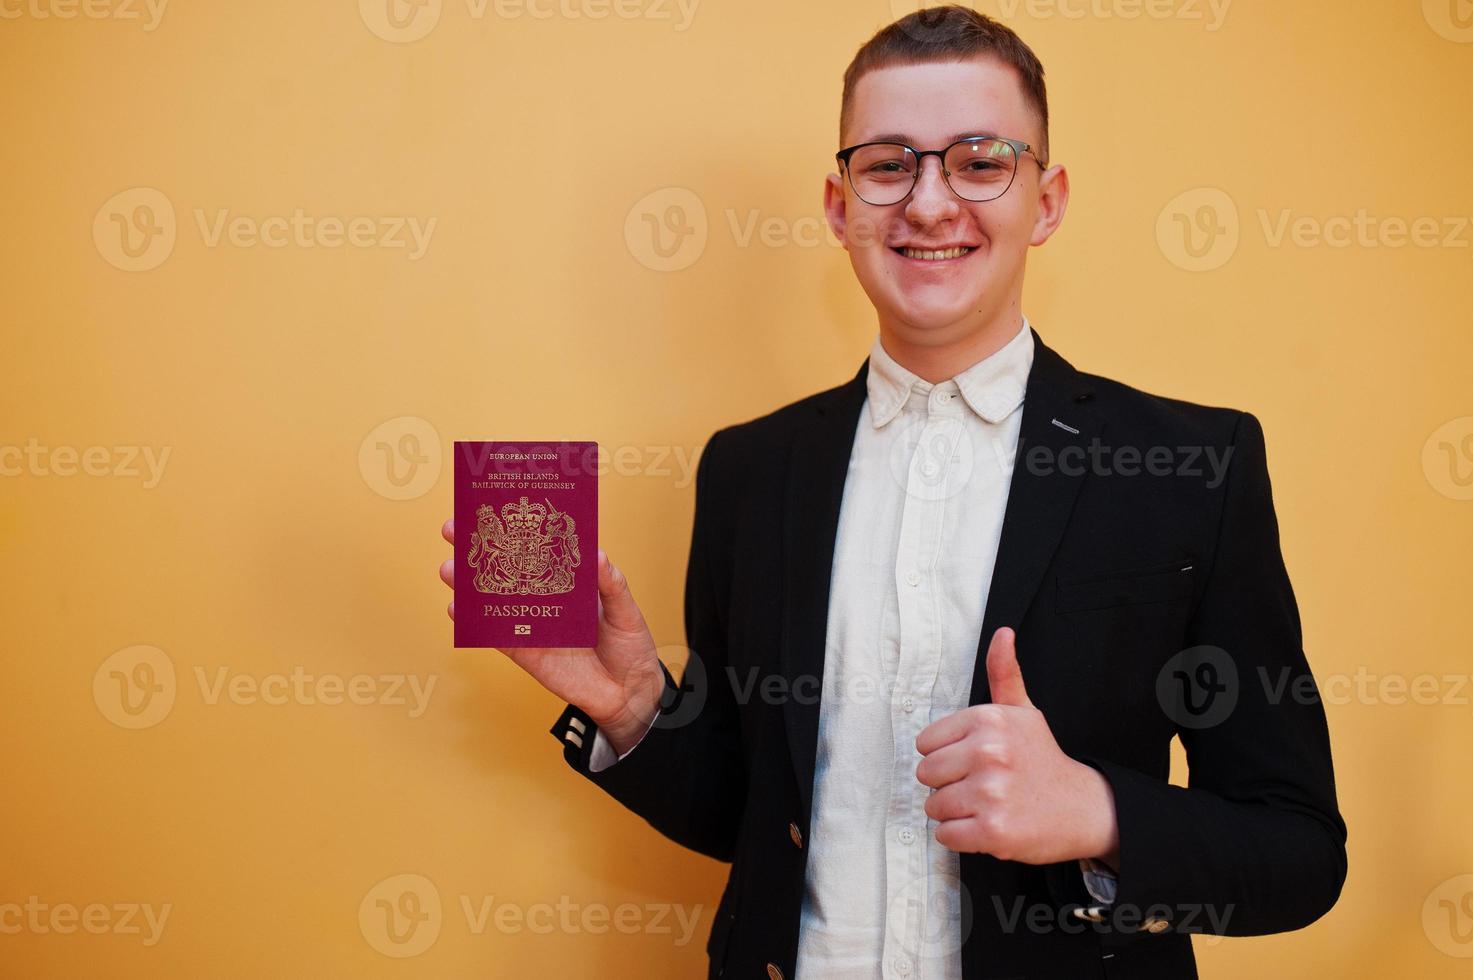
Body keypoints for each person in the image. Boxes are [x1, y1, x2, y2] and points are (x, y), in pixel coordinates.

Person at [439, 7, 1346, 977]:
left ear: (1047, 199)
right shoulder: (748, 468)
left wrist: (1095, 809)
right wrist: (631, 709)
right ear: (839, 205)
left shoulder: (1192, 463)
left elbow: (1297, 852)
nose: (927, 202)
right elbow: (758, 819)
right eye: (887, 164)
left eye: (981, 159)